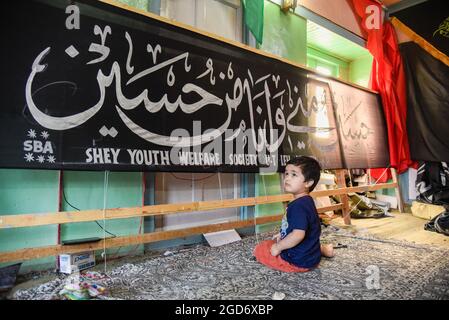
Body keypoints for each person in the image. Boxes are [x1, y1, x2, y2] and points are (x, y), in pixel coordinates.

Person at [253, 156, 334, 272]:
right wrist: (283, 234)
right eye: (286, 174)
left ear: (308, 183)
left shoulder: (298, 206)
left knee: (261, 249)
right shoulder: (307, 200)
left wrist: (278, 247)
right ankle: (323, 250)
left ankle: (321, 250)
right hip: (311, 256)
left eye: (294, 175)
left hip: (298, 261)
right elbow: (299, 226)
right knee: (280, 241)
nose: (287, 179)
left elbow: (298, 235)